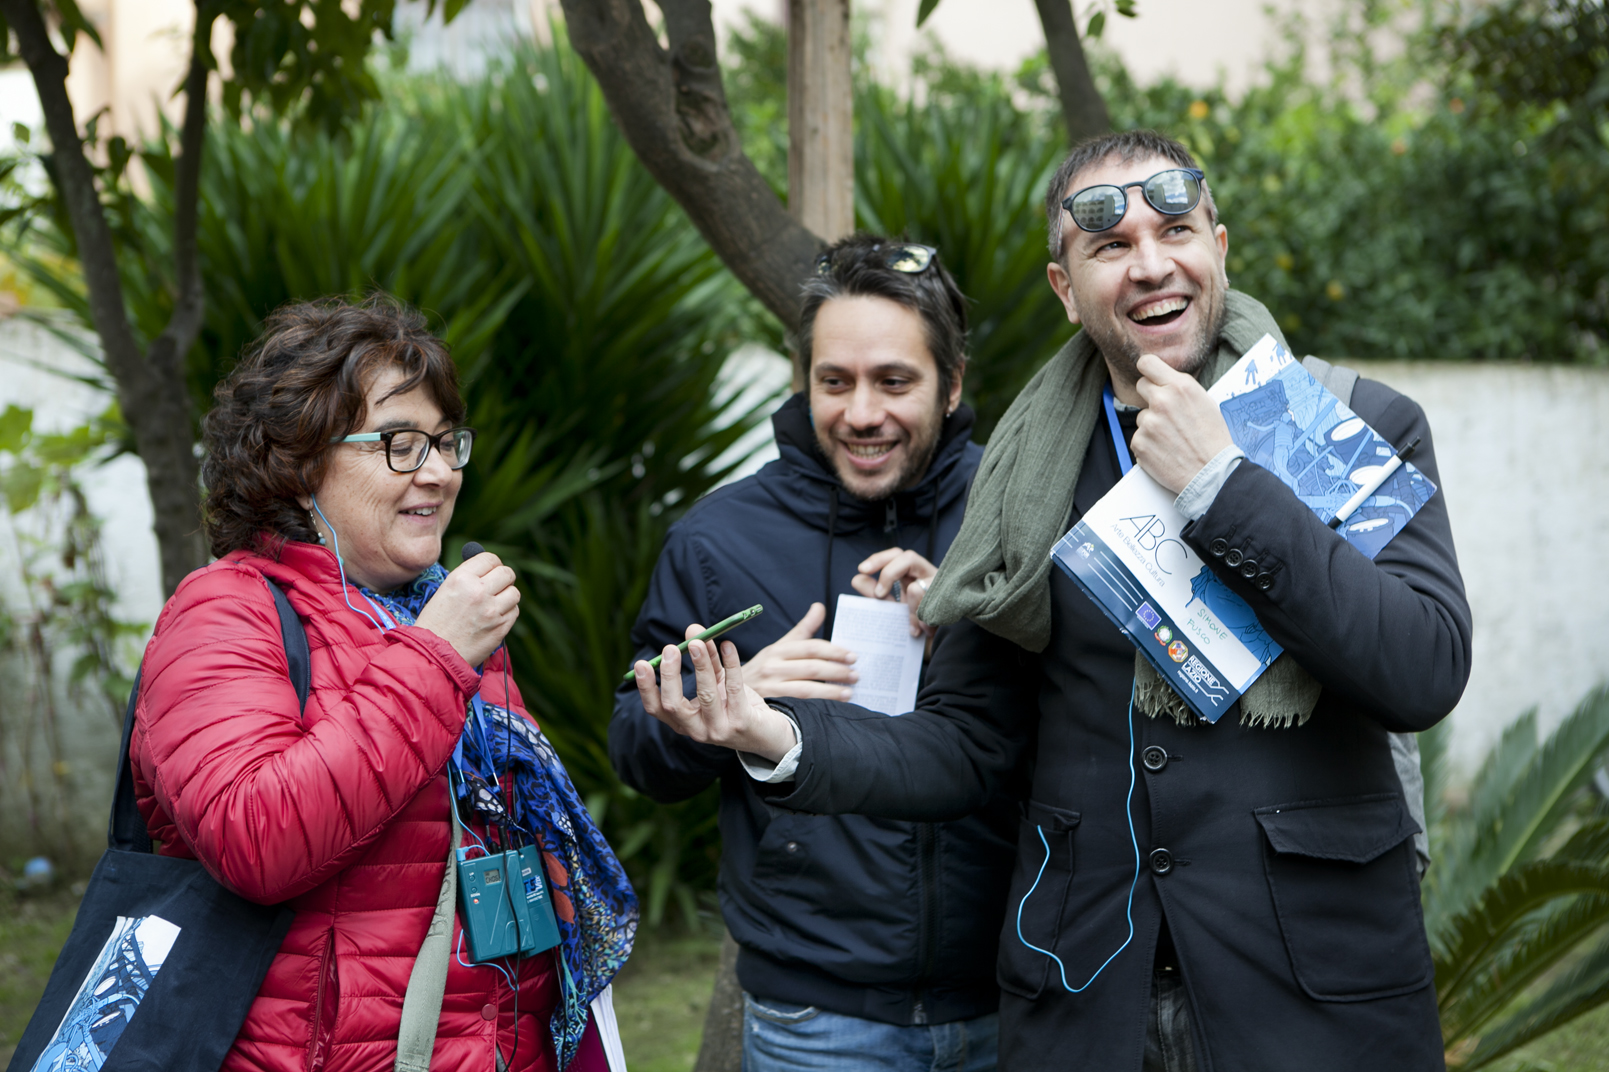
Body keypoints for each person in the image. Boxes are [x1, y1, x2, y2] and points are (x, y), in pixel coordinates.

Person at [633, 131, 1472, 1072]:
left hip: (1312, 996)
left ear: (1218, 248)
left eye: (1174, 231)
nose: (1148, 264)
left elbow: (1423, 669)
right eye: (1109, 246)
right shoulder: (1022, 483)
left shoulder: (1351, 420)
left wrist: (1224, 486)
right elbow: (967, 742)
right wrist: (776, 735)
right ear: (1065, 289)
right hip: (1085, 1003)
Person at [131, 296, 636, 1072]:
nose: (438, 472)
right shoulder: (224, 611)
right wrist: (436, 657)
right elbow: (254, 840)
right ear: (298, 463)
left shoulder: (436, 612)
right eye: (399, 444)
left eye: (444, 441)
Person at [611, 235, 1016, 1071]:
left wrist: (977, 618)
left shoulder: (1013, 516)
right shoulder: (719, 541)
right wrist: (726, 702)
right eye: (835, 382)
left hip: (1018, 999)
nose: (860, 413)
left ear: (951, 384)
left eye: (893, 382)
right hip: (817, 1018)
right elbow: (636, 750)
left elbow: (1094, 711)